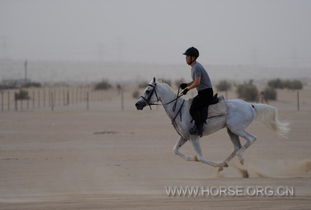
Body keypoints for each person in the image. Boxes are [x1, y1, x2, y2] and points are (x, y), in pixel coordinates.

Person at [180, 47, 214, 137]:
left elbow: (197, 82)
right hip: (203, 92)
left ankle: (199, 128)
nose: (186, 58)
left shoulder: (197, 67)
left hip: (206, 93)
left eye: (187, 56)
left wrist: (188, 89)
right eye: (186, 56)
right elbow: (196, 81)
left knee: (193, 108)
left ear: (193, 58)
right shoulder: (194, 67)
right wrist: (186, 85)